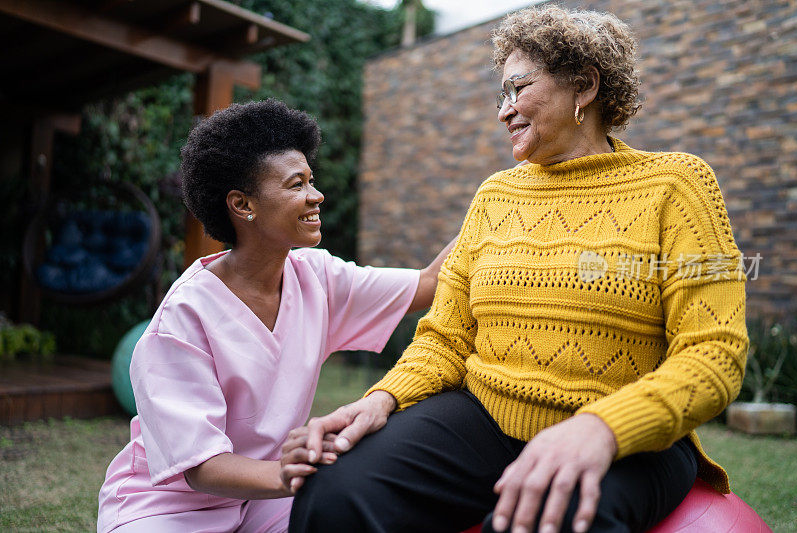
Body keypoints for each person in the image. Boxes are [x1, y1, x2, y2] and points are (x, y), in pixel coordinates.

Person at [286, 6, 748, 533]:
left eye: (518, 88)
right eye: (500, 96)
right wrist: (383, 399)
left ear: (585, 86)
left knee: (546, 520)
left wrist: (602, 428)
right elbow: (445, 337)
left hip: (629, 439)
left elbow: (714, 355)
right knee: (336, 492)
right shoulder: (494, 195)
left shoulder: (678, 186)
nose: (504, 111)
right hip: (485, 417)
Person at [96, 99, 454, 533]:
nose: (316, 195)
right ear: (243, 205)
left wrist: (506, 200)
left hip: (265, 500)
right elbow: (201, 467)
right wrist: (290, 474)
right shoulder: (184, 317)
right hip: (169, 508)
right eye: (295, 184)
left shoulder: (318, 277)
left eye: (312, 180)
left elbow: (431, 282)